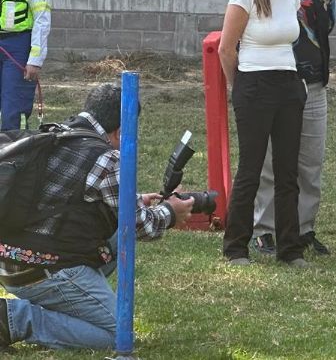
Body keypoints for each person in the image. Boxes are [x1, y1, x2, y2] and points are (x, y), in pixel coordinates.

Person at [0, 83, 194, 351]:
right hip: (45, 270)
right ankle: (13, 319)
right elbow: (140, 226)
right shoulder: (108, 159)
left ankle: (69, 304)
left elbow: (64, 199)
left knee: (115, 227)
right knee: (118, 334)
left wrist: (134, 199)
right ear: (120, 131)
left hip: (10, 262)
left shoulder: (59, 133)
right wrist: (171, 213)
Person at [218, 0, 308, 267]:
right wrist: (238, 87)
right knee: (251, 170)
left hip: (288, 84)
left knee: (288, 172)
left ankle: (290, 249)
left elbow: (290, 39)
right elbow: (227, 49)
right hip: (254, 85)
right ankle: (236, 247)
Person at [251, 0, 335, 257]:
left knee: (310, 162)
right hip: (277, 81)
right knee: (272, 161)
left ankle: (303, 229)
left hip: (313, 82)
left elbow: (327, 24)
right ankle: (266, 230)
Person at [0, 0, 50, 130]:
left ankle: (12, 159)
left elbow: (42, 17)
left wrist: (35, 59)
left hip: (18, 45)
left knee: (13, 110)